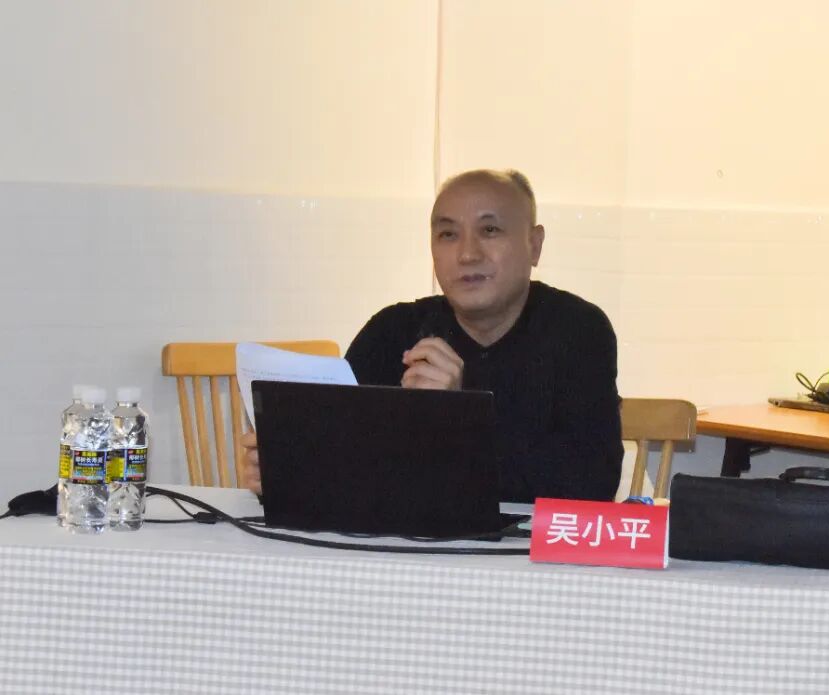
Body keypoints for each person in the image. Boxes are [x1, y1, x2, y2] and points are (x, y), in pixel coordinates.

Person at [240, 169, 623, 502]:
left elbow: (593, 482)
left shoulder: (578, 330)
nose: (467, 254)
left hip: (525, 557)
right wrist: (284, 470)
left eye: (490, 230)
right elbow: (345, 461)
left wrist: (458, 419)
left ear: (534, 245)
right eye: (448, 234)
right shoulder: (393, 331)